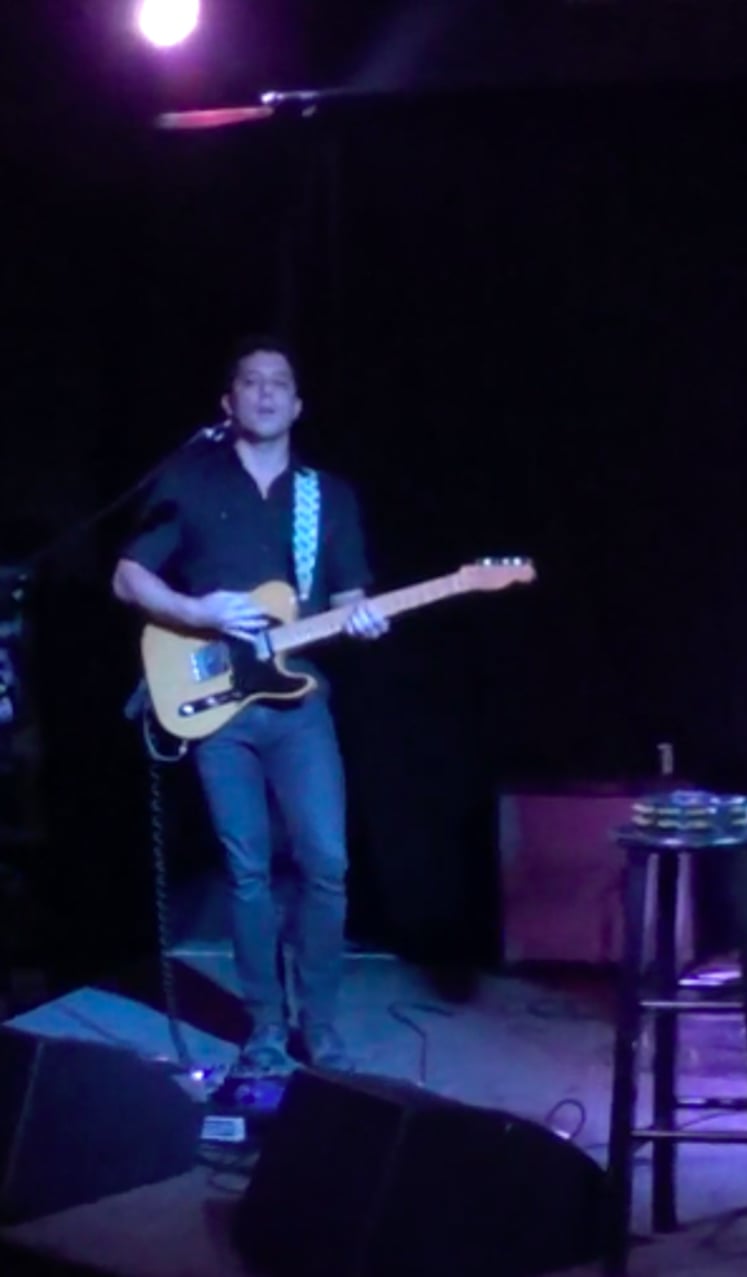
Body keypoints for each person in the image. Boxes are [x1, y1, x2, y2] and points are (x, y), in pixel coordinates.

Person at [114, 337, 387, 1076]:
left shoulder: (327, 497)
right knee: (248, 870)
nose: (266, 392)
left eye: (279, 383)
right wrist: (197, 611)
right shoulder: (190, 480)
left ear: (298, 405)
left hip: (300, 704)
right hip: (217, 705)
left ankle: (318, 1024)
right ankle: (266, 1025)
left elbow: (349, 596)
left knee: (326, 862)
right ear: (227, 401)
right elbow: (128, 577)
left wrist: (362, 618)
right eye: (251, 381)